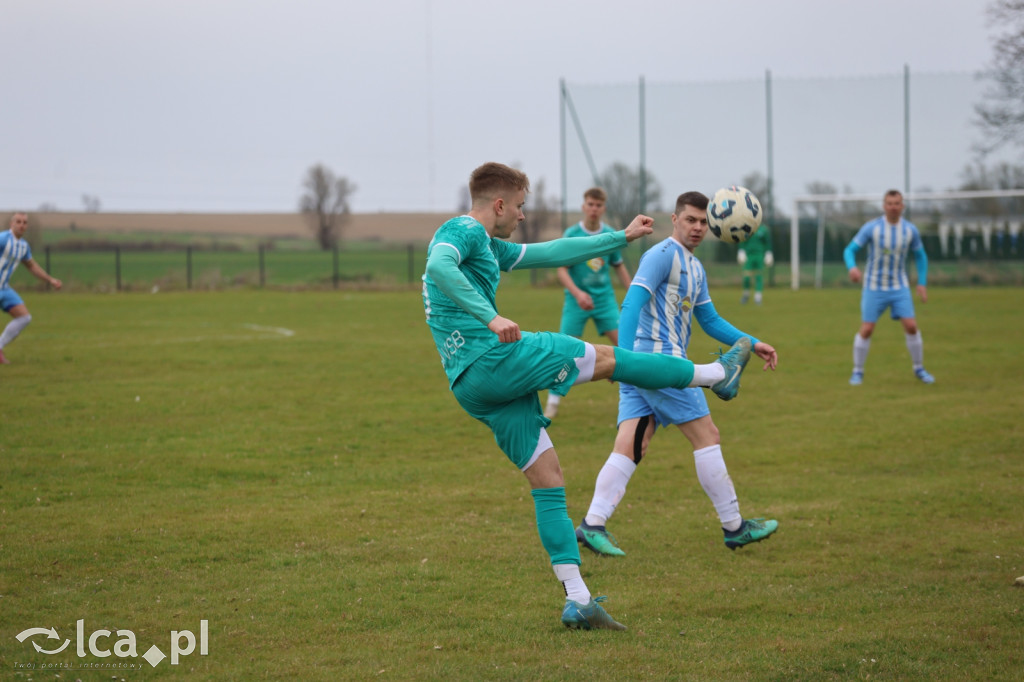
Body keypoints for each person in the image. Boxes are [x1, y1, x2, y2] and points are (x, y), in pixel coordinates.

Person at [422, 163, 755, 631]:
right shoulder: (462, 230)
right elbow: (438, 266)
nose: (521, 215)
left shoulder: (487, 244)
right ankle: (716, 373)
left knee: (548, 477)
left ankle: (577, 601)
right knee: (608, 359)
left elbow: (554, 250)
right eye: (519, 206)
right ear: (499, 204)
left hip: (470, 385)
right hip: (492, 359)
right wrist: (492, 319)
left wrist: (618, 238)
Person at [576, 191, 779, 559]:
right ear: (675, 219)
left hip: (644, 364)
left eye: (703, 222)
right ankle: (734, 527)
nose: (698, 227)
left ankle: (593, 524)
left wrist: (754, 342)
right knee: (707, 435)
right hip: (658, 363)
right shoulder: (661, 255)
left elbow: (710, 321)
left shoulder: (694, 267)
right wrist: (623, 360)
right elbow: (631, 304)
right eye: (691, 220)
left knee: (633, 442)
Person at [544, 187, 632, 419]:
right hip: (576, 301)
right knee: (563, 351)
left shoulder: (611, 234)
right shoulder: (572, 234)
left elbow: (619, 267)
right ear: (584, 207)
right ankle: (552, 403)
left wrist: (634, 296)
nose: (594, 209)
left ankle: (635, 398)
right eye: (590, 205)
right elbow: (561, 270)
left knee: (626, 347)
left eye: (598, 205)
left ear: (603, 208)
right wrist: (578, 294)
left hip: (604, 300)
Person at [843, 190, 933, 386]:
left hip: (899, 287)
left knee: (911, 326)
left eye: (897, 203)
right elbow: (849, 250)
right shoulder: (872, 228)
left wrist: (922, 282)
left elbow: (920, 256)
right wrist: (852, 268)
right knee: (867, 329)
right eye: (890, 203)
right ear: (884, 206)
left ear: (903, 207)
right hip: (873, 287)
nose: (893, 206)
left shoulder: (910, 230)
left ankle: (919, 368)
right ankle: (857, 371)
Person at [0, 212, 62, 365]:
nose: (22, 225)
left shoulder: (23, 246)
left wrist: (50, 280)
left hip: (4, 288)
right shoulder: (2, 239)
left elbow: (31, 266)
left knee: (24, 317)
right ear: (11, 224)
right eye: (18, 222)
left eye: (25, 222)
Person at [738, 223, 773, 305]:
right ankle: (746, 295)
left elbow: (767, 242)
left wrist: (768, 253)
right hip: (749, 256)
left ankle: (758, 297)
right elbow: (742, 240)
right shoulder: (746, 228)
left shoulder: (763, 230)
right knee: (746, 277)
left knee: (758, 276)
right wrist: (741, 251)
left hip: (759, 255)